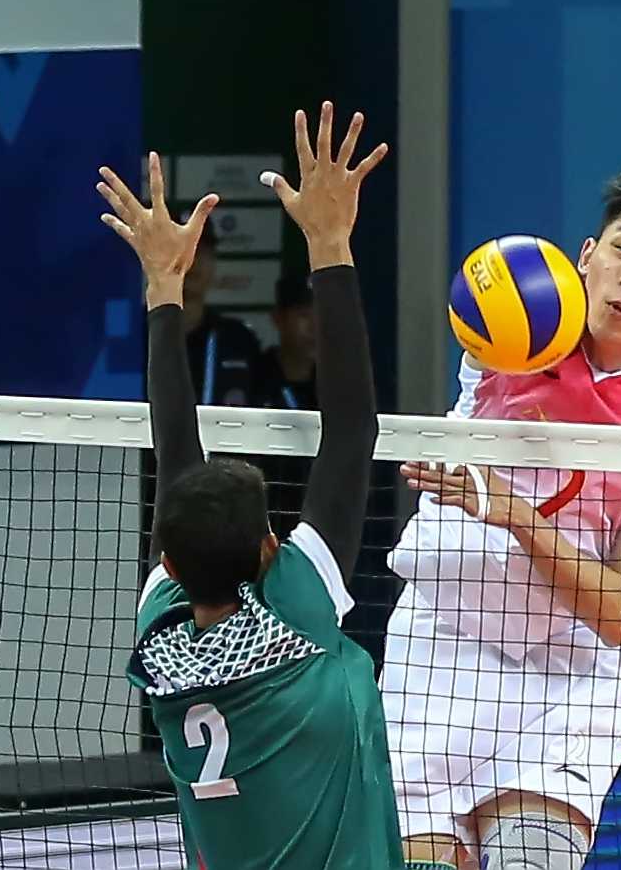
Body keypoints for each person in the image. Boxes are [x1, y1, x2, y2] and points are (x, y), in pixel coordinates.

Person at [381, 169, 621, 870]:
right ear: (586, 256)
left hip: (567, 673)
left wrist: (512, 513)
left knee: (530, 859)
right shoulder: (515, 330)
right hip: (441, 647)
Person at [101, 102, 399, 870]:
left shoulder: (161, 637)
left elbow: (177, 458)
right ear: (271, 548)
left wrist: (163, 288)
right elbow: (354, 427)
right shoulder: (294, 614)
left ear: (169, 561)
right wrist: (330, 240)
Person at [183, 215, 263, 406]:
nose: (192, 259)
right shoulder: (135, 338)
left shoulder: (238, 340)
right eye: (181, 248)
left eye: (202, 249)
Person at [256, 272, 318, 411]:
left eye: (323, 316)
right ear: (278, 318)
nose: (315, 327)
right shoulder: (253, 376)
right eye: (304, 315)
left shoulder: (338, 382)